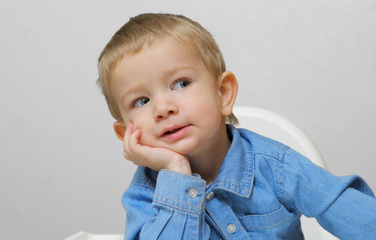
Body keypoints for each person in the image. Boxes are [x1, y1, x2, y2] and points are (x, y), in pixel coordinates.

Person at [97, 13, 376, 239]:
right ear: (126, 134)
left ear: (223, 94)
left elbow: (348, 210)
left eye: (181, 83)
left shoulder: (275, 167)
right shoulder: (144, 196)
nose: (162, 108)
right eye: (141, 100)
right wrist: (176, 174)